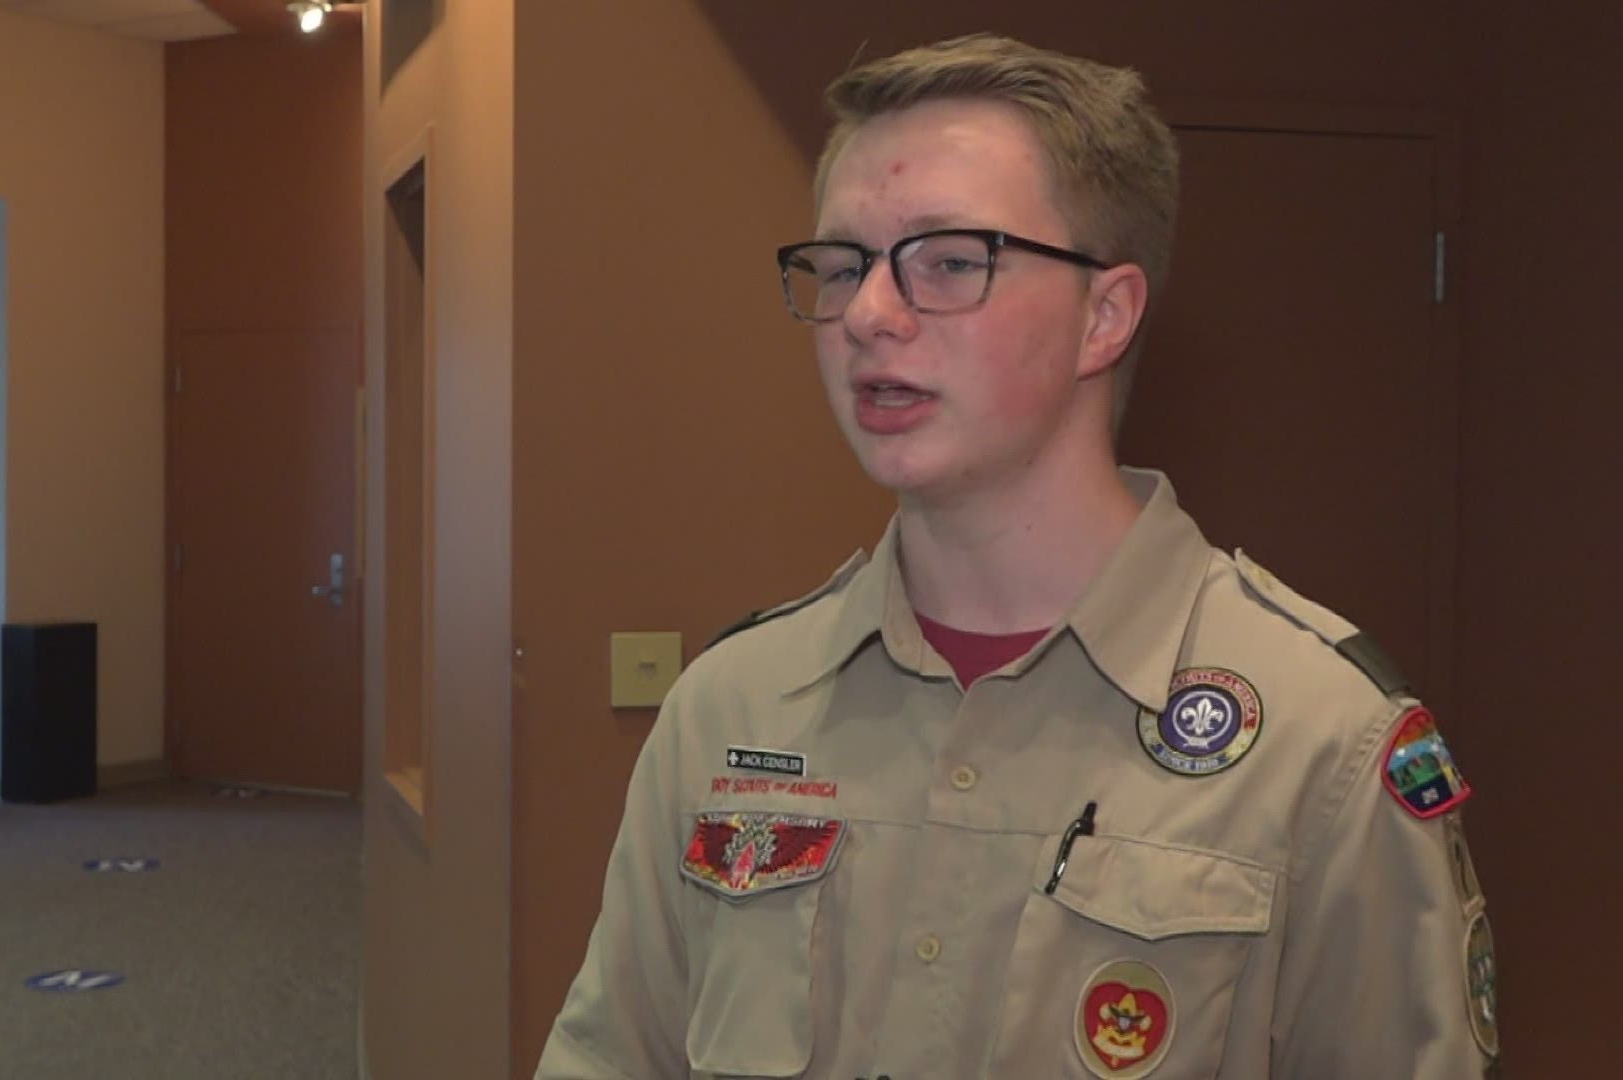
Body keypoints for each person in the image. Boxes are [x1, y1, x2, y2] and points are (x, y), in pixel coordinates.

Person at [536, 32, 1496, 1080]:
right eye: (845, 263)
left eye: (949, 260)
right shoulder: (731, 710)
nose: (866, 314)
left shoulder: (1326, 748)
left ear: (1106, 315)